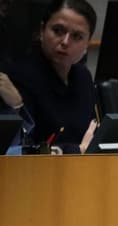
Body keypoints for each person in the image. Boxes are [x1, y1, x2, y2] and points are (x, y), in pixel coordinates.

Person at [0, 0, 97, 151]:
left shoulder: (83, 76)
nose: (65, 42)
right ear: (42, 30)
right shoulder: (20, 77)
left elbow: (92, 133)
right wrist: (76, 150)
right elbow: (22, 149)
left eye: (77, 36)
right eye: (58, 31)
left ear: (87, 44)